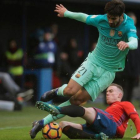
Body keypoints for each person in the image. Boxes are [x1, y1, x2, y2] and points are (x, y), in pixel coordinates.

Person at [30, 0, 138, 138]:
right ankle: (57, 91)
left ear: (121, 15)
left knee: (77, 101)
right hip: (93, 63)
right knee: (70, 91)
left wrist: (127, 44)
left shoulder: (128, 25)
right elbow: (84, 17)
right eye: (109, 18)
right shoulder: (102, 20)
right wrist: (66, 13)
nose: (110, 21)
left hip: (108, 72)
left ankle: (41, 122)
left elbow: (135, 42)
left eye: (114, 19)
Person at [34, 83, 140, 139]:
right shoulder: (108, 110)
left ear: (119, 95)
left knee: (89, 110)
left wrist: (139, 133)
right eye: (107, 91)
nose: (107, 93)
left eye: (111, 91)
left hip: (111, 125)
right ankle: (95, 137)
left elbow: (135, 117)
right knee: (63, 125)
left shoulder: (125, 104)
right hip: (103, 129)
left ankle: (58, 109)